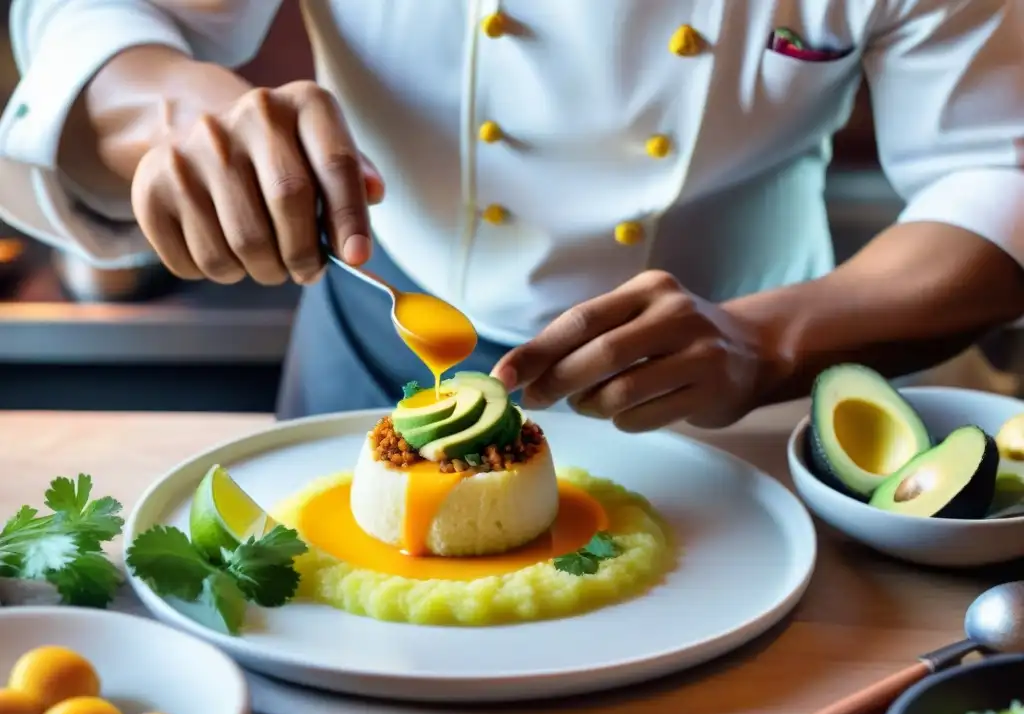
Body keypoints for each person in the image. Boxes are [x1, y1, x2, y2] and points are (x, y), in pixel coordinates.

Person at [1, 1, 1023, 429]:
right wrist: (177, 112)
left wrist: (770, 341)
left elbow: (996, 165)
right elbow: (109, 16)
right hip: (376, 344)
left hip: (750, 389)